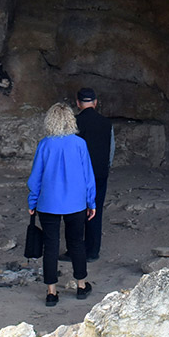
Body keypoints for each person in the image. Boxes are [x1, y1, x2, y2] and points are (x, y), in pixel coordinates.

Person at [27, 102, 96, 307]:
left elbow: (36, 177)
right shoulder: (79, 144)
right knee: (76, 243)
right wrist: (91, 202)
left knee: (50, 245)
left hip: (48, 203)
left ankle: (51, 292)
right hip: (76, 203)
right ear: (70, 121)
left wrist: (32, 200)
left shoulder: (44, 144)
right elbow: (88, 176)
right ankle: (81, 285)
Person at [75, 87, 114, 262]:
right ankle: (93, 251)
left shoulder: (75, 123)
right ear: (95, 102)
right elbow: (111, 148)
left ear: (77, 103)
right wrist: (107, 166)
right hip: (99, 172)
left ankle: (75, 249)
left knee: (76, 212)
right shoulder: (106, 123)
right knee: (95, 210)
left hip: (79, 174)